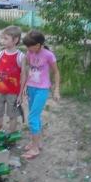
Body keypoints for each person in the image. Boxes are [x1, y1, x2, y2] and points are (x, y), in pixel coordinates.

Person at [20, 30, 60, 159]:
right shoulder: (30, 52)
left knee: (32, 118)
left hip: (42, 89)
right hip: (31, 87)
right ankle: (36, 142)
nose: (28, 48)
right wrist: (25, 85)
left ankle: (35, 148)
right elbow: (27, 69)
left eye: (30, 46)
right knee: (35, 117)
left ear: (38, 45)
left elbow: (56, 72)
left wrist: (56, 89)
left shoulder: (48, 55)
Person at [0, 26, 25, 132]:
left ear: (15, 40)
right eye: (2, 38)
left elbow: (23, 76)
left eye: (5, 38)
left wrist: (20, 94)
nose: (2, 41)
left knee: (13, 115)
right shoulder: (0, 54)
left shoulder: (21, 56)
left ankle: (11, 138)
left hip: (13, 93)